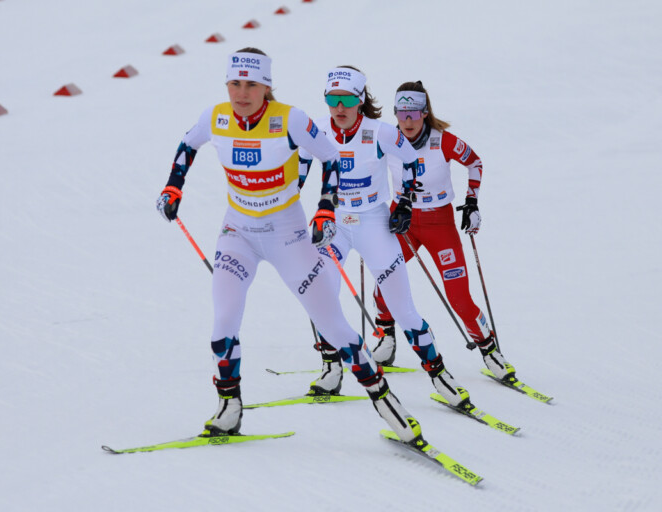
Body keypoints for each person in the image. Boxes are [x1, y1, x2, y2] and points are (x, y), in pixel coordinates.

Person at [156, 48, 424, 443]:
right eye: (235, 83)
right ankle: (229, 406)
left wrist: (325, 209)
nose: (242, 93)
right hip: (238, 234)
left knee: (333, 325)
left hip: (288, 235)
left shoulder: (290, 119)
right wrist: (172, 186)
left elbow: (331, 158)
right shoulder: (216, 117)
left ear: (266, 86)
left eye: (251, 84)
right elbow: (187, 145)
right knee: (223, 322)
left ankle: (385, 401)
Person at [299, 66, 472, 408]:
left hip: (373, 223)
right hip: (333, 223)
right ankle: (331, 369)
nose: (339, 108)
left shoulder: (380, 132)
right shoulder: (316, 129)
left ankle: (439, 374)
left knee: (402, 308)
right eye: (332, 99)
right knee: (321, 298)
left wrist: (405, 202)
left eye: (347, 99)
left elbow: (411, 163)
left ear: (361, 100)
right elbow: (300, 170)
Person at [372, 80, 516, 381]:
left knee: (459, 298)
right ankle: (386, 336)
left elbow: (474, 162)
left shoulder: (443, 140)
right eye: (402, 113)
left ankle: (489, 349)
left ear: (425, 113)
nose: (408, 121)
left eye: (414, 113)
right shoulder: (386, 138)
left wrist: (472, 202)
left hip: (440, 224)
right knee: (384, 277)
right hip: (403, 221)